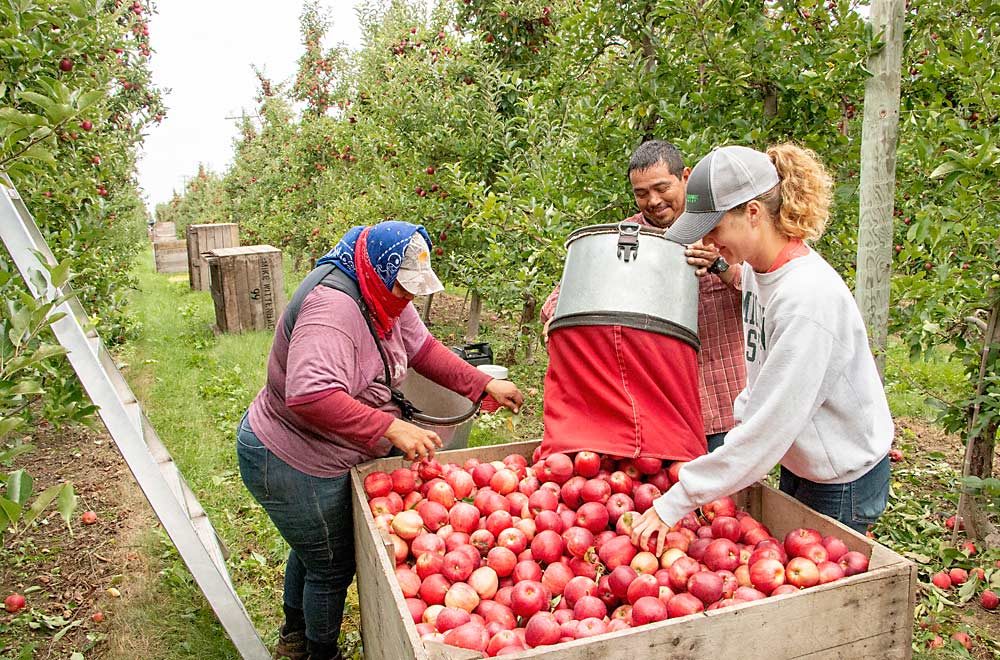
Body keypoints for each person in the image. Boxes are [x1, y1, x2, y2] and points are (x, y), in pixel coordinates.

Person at [237, 221, 523, 660]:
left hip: (323, 450)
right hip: (293, 457)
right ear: (377, 271)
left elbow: (423, 349)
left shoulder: (381, 292)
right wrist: (390, 426)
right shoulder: (333, 311)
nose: (408, 299)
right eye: (404, 289)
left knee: (315, 548)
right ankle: (319, 652)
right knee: (333, 565)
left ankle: (294, 635)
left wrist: (482, 384)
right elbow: (309, 395)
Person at [631, 144, 893, 554]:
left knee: (826, 604)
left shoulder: (807, 300)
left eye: (714, 228)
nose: (709, 241)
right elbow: (760, 367)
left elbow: (771, 426)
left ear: (752, 213)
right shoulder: (757, 271)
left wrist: (676, 501)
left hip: (842, 481)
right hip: (803, 461)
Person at [540, 140, 745, 452]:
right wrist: (559, 315)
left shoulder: (724, 228)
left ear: (685, 178)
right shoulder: (625, 240)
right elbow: (564, 294)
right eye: (641, 193)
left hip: (723, 405)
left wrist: (720, 265)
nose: (653, 201)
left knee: (729, 499)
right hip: (657, 413)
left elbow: (763, 293)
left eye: (662, 188)